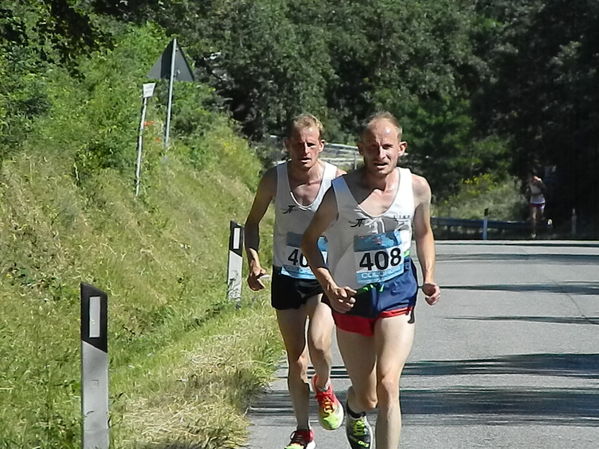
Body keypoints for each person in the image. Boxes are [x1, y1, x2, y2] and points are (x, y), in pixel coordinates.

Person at [301, 112, 441, 449]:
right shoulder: (339, 193)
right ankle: (353, 407)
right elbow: (309, 242)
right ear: (361, 148)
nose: (381, 155)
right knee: (369, 397)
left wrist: (429, 276)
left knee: (389, 384)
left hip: (397, 292)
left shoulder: (417, 187)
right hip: (351, 298)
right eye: (373, 147)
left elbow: (423, 232)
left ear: (401, 148)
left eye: (388, 147)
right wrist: (328, 285)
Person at [244, 113, 345, 449]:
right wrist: (254, 261)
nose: (304, 150)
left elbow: (358, 224)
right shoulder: (274, 179)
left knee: (319, 346)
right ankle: (303, 432)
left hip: (322, 278)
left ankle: (325, 386)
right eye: (297, 144)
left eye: (310, 144)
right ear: (287, 145)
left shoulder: (337, 181)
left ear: (321, 146)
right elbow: (252, 223)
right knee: (296, 359)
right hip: (286, 277)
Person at [527, 172, 546, 238]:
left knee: (540, 216)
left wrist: (537, 186)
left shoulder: (539, 181)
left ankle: (541, 230)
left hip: (540, 200)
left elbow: (544, 190)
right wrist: (529, 194)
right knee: (533, 217)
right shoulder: (529, 181)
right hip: (533, 201)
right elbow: (529, 190)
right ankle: (533, 232)